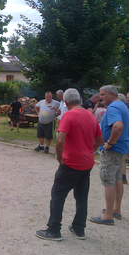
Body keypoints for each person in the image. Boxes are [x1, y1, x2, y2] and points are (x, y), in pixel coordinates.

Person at [35, 89, 104, 241]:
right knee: (81, 196)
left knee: (58, 195)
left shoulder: (68, 115)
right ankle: (79, 229)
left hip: (71, 162)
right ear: (80, 99)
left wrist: (59, 156)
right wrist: (88, 149)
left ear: (65, 102)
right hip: (87, 163)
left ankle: (54, 230)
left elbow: (60, 139)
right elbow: (100, 139)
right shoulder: (90, 115)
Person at [90, 85, 129, 225]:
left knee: (108, 180)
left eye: (103, 94)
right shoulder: (123, 106)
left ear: (112, 94)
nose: (100, 97)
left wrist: (110, 143)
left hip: (113, 150)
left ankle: (108, 216)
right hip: (122, 149)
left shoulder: (113, 107)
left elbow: (118, 126)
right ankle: (116, 209)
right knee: (118, 178)